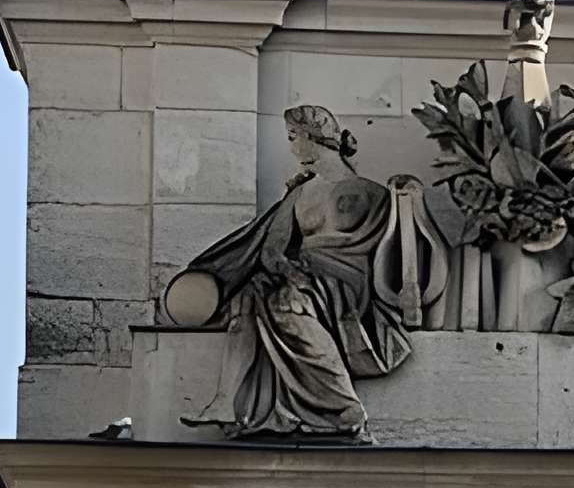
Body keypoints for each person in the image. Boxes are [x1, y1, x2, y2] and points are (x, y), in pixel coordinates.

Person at [165, 106, 416, 438]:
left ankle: (344, 404)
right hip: (304, 276)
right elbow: (272, 246)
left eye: (293, 138)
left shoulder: (372, 192)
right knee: (249, 294)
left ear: (315, 139)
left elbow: (393, 251)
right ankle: (226, 401)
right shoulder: (299, 194)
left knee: (286, 301)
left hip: (348, 285)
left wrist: (409, 200)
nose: (292, 147)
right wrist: (285, 268)